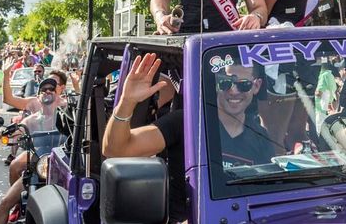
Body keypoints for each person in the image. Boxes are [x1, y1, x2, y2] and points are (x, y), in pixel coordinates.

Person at [103, 54, 273, 221]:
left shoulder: (262, 139)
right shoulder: (186, 122)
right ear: (216, 83)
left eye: (243, 85)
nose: (234, 91)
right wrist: (127, 101)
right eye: (226, 83)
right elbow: (116, 150)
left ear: (256, 86)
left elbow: (264, 197)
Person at [0, 77, 60, 224]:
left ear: (57, 93)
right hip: (37, 167)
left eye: (51, 89)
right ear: (38, 97)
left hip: (62, 167)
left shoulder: (65, 116)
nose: (48, 91)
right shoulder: (32, 120)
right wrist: (2, 131)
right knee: (5, 203)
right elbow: (17, 131)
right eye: (44, 90)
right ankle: (18, 206)